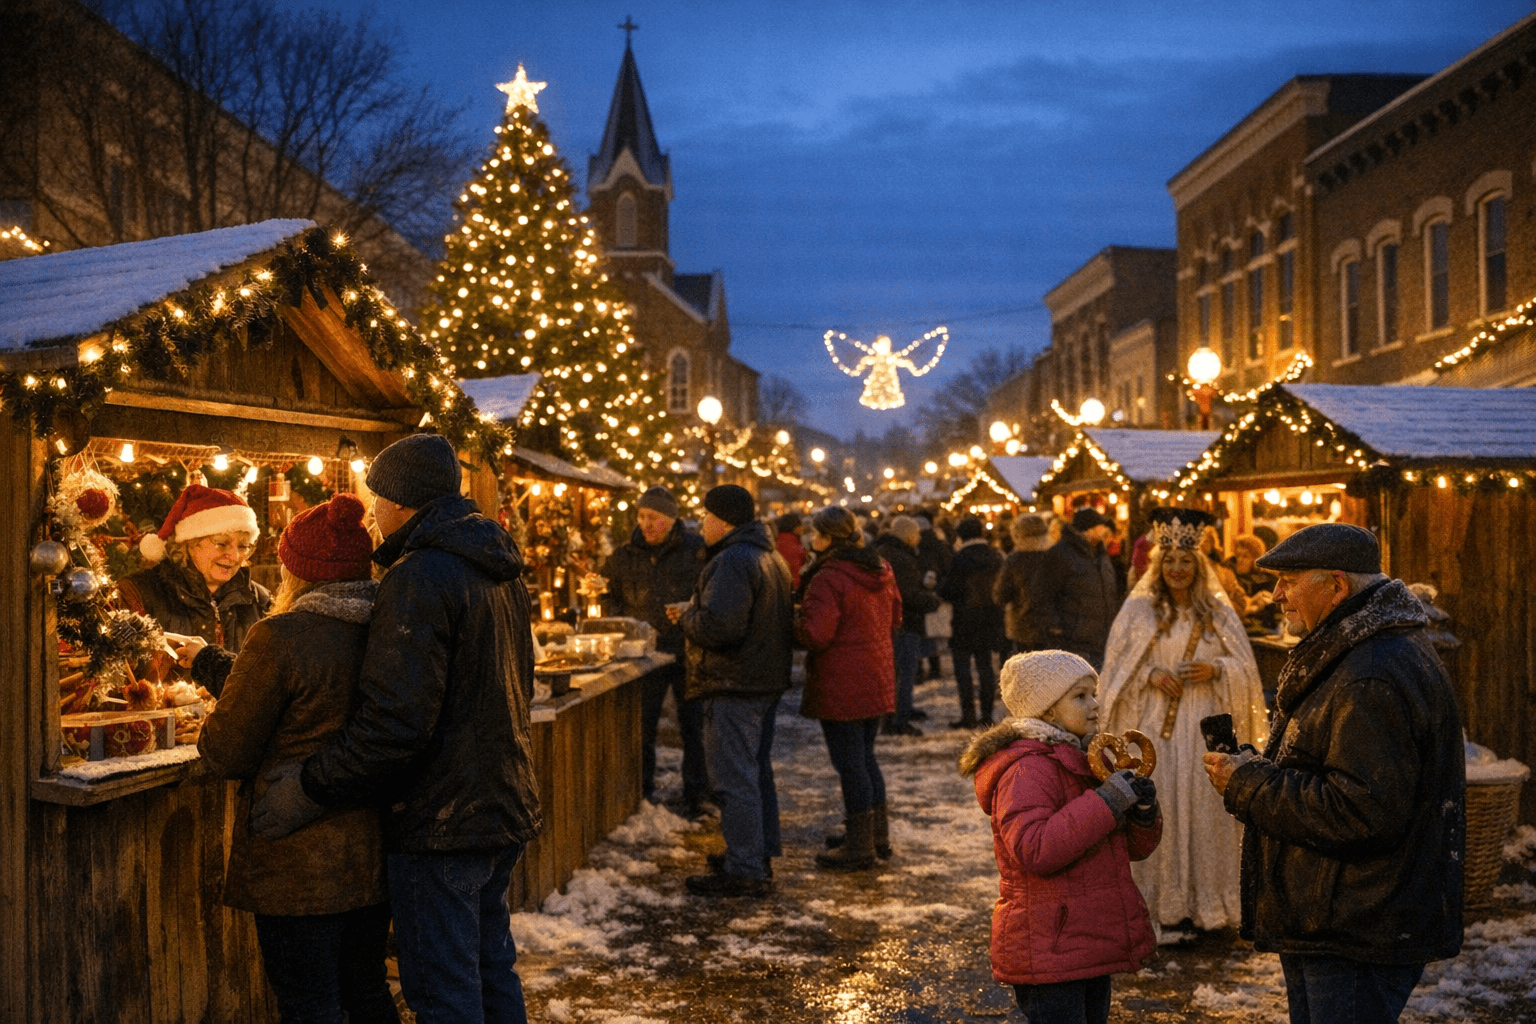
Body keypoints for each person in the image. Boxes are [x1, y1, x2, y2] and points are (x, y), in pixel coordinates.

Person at [251, 433, 542, 1024]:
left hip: (441, 821)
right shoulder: (497, 562)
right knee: (489, 971)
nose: (373, 509)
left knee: (443, 990)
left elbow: (394, 725)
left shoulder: (419, 577)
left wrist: (309, 787)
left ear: (402, 503)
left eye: (378, 496)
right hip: (499, 804)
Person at [1203, 523, 1464, 1024]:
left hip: (1355, 925)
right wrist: (1257, 768)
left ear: (1337, 586)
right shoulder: (1360, 652)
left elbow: (1361, 811)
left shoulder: (1371, 672)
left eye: (1289, 580)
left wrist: (1249, 783)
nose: (1275, 594)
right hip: (1336, 916)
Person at [198, 494, 398, 1024]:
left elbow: (225, 750)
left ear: (297, 570)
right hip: (372, 852)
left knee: (310, 1004)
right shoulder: (389, 628)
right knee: (367, 989)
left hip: (296, 863)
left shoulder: (280, 635)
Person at [959, 650, 1160, 1024]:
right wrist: (1106, 803)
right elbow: (1035, 849)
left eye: (1093, 693)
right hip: (1050, 948)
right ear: (1048, 710)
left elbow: (1130, 850)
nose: (1095, 705)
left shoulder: (1086, 761)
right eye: (1080, 696)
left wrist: (1142, 814)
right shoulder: (1027, 769)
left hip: (1090, 942)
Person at [1097, 507, 1267, 938]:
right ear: (1158, 564)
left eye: (1185, 560)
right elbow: (1115, 674)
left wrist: (1217, 670)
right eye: (1169, 560)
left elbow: (1245, 669)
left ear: (1199, 564)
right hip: (1155, 729)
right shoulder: (1138, 612)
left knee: (1206, 810)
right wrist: (1152, 675)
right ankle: (1161, 906)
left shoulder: (1218, 613)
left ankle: (1207, 905)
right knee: (1162, 809)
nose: (1177, 568)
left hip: (1203, 730)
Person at [674, 485, 794, 897]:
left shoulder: (732, 561)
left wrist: (688, 616)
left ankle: (745, 867)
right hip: (761, 681)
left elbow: (721, 627)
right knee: (755, 774)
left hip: (734, 683)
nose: (700, 522)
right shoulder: (767, 555)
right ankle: (755, 854)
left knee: (734, 779)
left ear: (723, 520)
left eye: (704, 515)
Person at [797, 506, 901, 869]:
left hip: (841, 681)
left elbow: (816, 633)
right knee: (865, 758)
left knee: (850, 763)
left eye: (815, 534)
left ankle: (860, 846)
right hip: (877, 675)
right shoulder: (881, 568)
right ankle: (875, 835)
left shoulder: (830, 576)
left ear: (826, 539)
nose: (812, 540)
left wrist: (793, 621)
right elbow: (896, 618)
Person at [601, 485, 710, 816]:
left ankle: (698, 793)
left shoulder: (697, 551)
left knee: (693, 726)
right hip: (644, 654)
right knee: (642, 725)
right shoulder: (624, 555)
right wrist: (620, 619)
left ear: (671, 520)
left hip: (686, 648)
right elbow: (609, 593)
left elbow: (707, 593)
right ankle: (642, 793)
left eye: (654, 517)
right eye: (642, 516)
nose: (646, 523)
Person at [117, 483, 270, 688]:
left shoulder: (260, 601)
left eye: (243, 547)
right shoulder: (138, 593)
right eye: (222, 543)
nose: (234, 556)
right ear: (189, 542)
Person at [873, 515, 938, 736]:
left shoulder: (884, 552)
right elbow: (908, 595)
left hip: (889, 621)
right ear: (909, 536)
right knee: (903, 671)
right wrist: (932, 600)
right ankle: (897, 718)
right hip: (904, 621)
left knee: (898, 671)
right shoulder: (901, 559)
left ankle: (901, 710)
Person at [940, 517, 1006, 729]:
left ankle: (967, 714)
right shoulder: (996, 556)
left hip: (964, 619)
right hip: (990, 618)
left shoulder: (959, 558)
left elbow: (950, 589)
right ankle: (987, 714)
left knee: (963, 668)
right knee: (985, 665)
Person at [1036, 507, 1121, 670]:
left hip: (1103, 638)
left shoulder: (1101, 554)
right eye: (1100, 526)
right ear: (1088, 529)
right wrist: (1056, 630)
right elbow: (1043, 595)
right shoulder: (1060, 554)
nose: (1104, 531)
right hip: (1075, 642)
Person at [993, 513, 1052, 656]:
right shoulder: (1055, 557)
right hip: (1053, 625)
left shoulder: (1014, 560)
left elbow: (1000, 595)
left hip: (1023, 626)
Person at [915, 513, 953, 680]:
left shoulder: (913, 546)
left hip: (917, 593)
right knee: (932, 632)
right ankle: (935, 667)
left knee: (919, 632)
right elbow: (948, 569)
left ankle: (918, 668)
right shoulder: (940, 545)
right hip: (934, 594)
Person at [774, 510, 807, 585]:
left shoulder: (780, 540)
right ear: (793, 526)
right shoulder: (789, 544)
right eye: (800, 525)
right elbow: (794, 571)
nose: (802, 528)